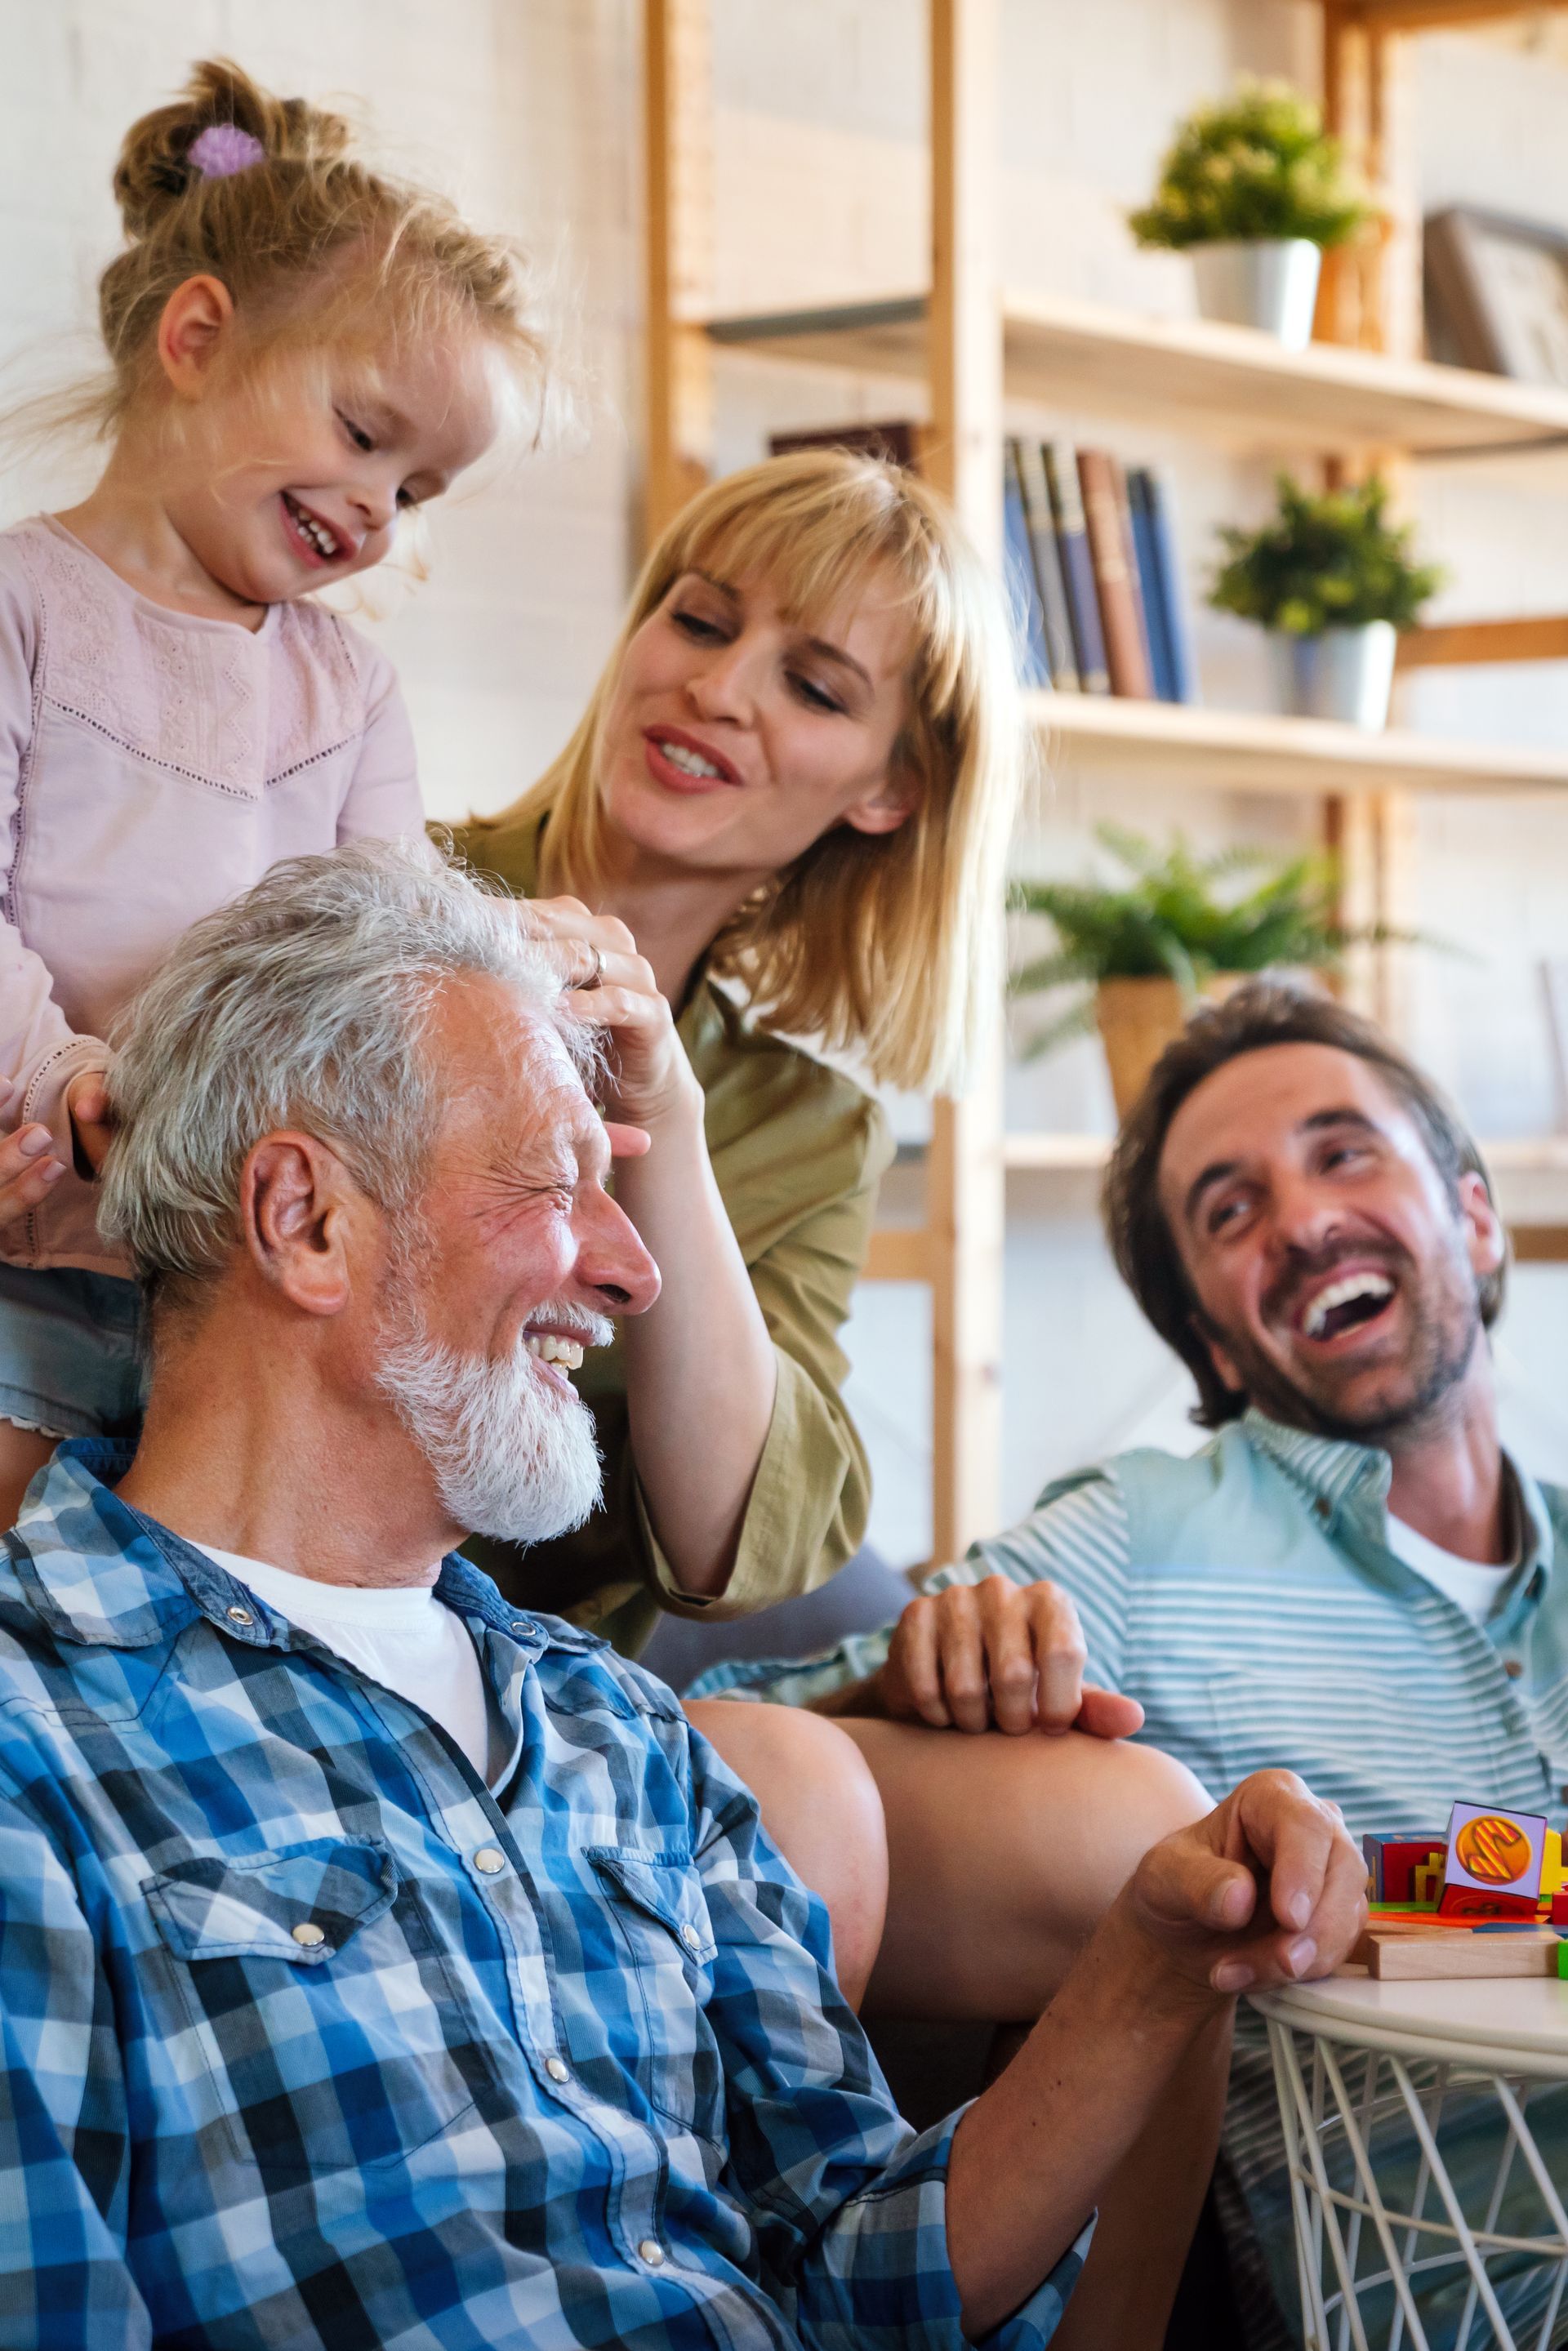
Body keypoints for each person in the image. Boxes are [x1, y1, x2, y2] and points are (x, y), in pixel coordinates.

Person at [0, 845, 1365, 2349]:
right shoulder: (38, 1741)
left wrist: (1158, 1963)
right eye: (553, 1181)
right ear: (307, 1220)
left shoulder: (611, 1732)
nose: (635, 1270)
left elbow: (864, 2278)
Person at [701, 980, 1568, 2348]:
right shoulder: (1143, 1533)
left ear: (1470, 1213)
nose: (1300, 1219)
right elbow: (699, 1748)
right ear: (1216, 1339)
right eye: (1230, 1210)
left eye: (1345, 1153)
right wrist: (921, 1675)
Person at [0, 56, 539, 1522]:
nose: (377, 508)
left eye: (417, 490)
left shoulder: (349, 692)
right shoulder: (23, 606)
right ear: (195, 338)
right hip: (26, 1227)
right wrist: (61, 1086)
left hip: (237, 1282)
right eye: (367, 436)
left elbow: (383, 974)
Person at [448, 447, 1023, 1654]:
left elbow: (727, 1545)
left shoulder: (814, 1130)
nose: (717, 688)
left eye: (815, 689)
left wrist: (672, 1125)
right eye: (700, 619)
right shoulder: (384, 888)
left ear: (891, 792)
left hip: (538, 1683)